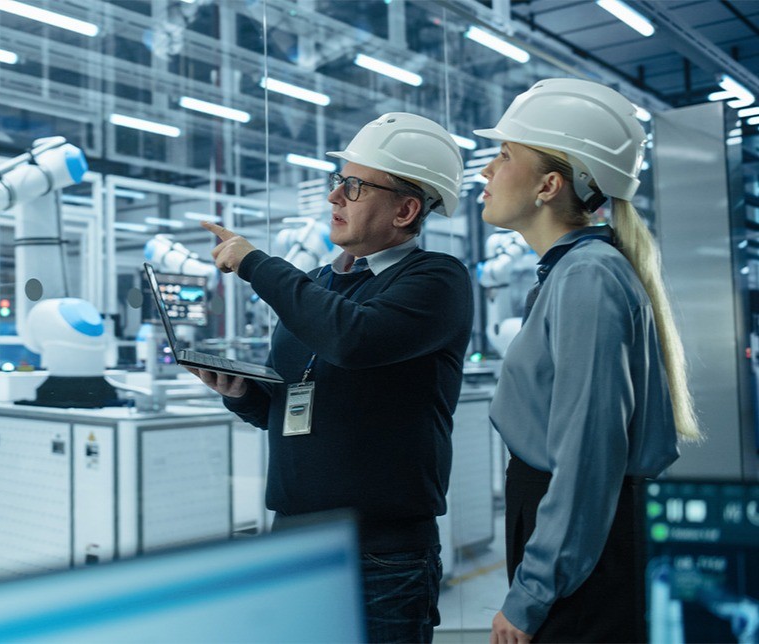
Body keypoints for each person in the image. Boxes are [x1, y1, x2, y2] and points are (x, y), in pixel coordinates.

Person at [188, 112, 472, 644]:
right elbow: (299, 398)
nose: (334, 198)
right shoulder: (320, 283)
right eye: (337, 183)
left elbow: (353, 339)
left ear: (406, 210)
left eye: (355, 186)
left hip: (380, 554)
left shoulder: (436, 280)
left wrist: (255, 262)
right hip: (295, 540)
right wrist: (244, 396)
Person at [474, 78, 702, 643]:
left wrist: (530, 595)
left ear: (549, 184)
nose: (486, 172)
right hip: (574, 532)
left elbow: (588, 457)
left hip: (579, 547)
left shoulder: (587, 279)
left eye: (504, 156)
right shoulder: (576, 273)